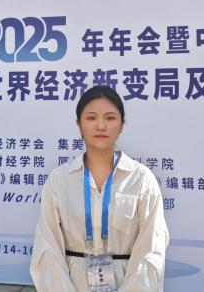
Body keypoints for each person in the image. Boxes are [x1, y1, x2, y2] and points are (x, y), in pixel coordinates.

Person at [30, 85, 169, 291]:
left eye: (110, 118)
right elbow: (47, 247)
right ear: (79, 124)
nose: (101, 126)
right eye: (91, 118)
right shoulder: (59, 180)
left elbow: (151, 250)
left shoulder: (141, 180)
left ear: (121, 125)